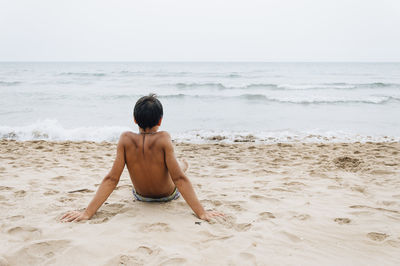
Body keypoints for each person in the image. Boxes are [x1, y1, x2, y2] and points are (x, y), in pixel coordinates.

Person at [61, 94, 223, 222]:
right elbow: (179, 179)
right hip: (167, 196)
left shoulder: (125, 139)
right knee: (178, 169)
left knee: (170, 167)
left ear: (134, 119)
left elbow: (111, 179)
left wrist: (87, 213)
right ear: (160, 120)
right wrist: (202, 213)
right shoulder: (164, 138)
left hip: (141, 196)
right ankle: (183, 164)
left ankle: (181, 164)